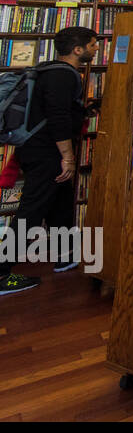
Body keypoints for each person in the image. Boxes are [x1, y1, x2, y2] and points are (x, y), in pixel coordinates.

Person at [0, 27, 99, 295]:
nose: (96, 48)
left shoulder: (47, 69)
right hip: (46, 152)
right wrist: (67, 156)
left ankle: (65, 256)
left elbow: (53, 110)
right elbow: (57, 118)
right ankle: (1, 272)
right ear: (77, 50)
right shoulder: (63, 76)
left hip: (37, 148)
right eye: (92, 44)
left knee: (60, 201)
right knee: (31, 210)